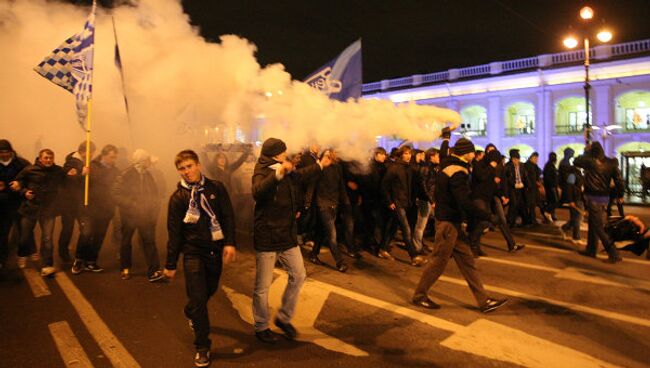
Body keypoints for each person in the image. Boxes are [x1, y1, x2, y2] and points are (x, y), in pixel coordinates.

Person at [412, 138, 507, 313]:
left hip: (451, 222)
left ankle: (483, 301)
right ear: (467, 153)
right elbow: (463, 201)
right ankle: (419, 296)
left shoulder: (449, 165)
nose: (474, 154)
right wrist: (488, 216)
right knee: (438, 262)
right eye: (472, 152)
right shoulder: (458, 171)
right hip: (448, 224)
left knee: (467, 262)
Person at [251, 138, 331, 344]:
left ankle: (283, 318)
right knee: (263, 287)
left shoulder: (285, 167)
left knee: (299, 275)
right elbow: (258, 191)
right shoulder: (262, 169)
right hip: (267, 236)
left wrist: (321, 164)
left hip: (286, 235)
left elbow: (301, 176)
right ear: (277, 154)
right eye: (284, 152)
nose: (287, 154)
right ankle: (261, 326)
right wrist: (278, 174)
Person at [164, 150, 236, 368]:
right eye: (182, 169)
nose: (186, 172)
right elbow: (174, 233)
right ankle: (202, 347)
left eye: (189, 166)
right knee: (199, 300)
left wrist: (230, 243)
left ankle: (190, 311)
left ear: (198, 165)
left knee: (208, 292)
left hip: (214, 251)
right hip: (193, 253)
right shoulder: (177, 198)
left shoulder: (217, 188)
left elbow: (228, 216)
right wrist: (170, 264)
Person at [111, 149, 164, 281]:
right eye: (147, 160)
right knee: (126, 242)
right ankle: (125, 268)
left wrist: (154, 209)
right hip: (129, 216)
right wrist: (131, 204)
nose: (149, 162)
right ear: (141, 161)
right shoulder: (126, 174)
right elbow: (115, 194)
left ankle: (154, 270)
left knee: (150, 242)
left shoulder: (148, 175)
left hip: (145, 215)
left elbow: (155, 193)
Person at [14, 149, 66, 276]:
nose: (48, 160)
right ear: (40, 158)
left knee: (47, 239)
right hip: (30, 208)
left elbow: (68, 182)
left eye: (51, 158)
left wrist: (80, 174)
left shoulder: (58, 171)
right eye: (46, 158)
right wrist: (24, 192)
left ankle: (47, 265)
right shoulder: (29, 170)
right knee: (24, 236)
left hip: (49, 210)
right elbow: (18, 183)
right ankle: (23, 253)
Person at [574, 142, 624, 263]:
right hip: (604, 198)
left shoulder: (590, 162)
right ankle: (591, 249)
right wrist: (620, 195)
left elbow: (576, 161)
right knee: (593, 223)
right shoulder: (612, 163)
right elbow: (619, 180)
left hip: (593, 197)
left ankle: (613, 253)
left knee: (598, 227)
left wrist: (586, 152)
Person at [379, 146, 428, 266]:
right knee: (406, 229)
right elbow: (384, 187)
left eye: (409, 153)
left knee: (393, 228)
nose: (408, 155)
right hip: (397, 203)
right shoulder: (394, 168)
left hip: (408, 203)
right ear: (401, 155)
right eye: (406, 153)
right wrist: (389, 201)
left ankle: (382, 249)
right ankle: (414, 257)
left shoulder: (410, 168)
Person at [308, 149, 351, 272]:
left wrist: (346, 202)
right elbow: (312, 185)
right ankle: (340, 263)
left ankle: (313, 254)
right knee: (332, 235)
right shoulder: (320, 167)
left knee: (322, 231)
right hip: (323, 205)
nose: (330, 157)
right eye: (327, 155)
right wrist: (308, 202)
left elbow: (341, 186)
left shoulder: (337, 168)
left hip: (334, 205)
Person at [59, 141, 96, 264]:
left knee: (86, 229)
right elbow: (69, 183)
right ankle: (63, 253)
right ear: (82, 151)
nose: (91, 155)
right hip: (69, 203)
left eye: (92, 153)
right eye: (89, 152)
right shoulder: (71, 163)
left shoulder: (87, 162)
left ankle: (82, 254)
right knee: (68, 229)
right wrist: (82, 174)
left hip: (81, 203)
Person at [0, 139, 30, 271]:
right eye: (1, 152)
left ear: (11, 151)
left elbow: (33, 178)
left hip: (19, 203)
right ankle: (2, 260)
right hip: (2, 205)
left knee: (23, 232)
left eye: (7, 151)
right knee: (2, 233)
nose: (4, 154)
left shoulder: (22, 163)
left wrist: (21, 184)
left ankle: (20, 253)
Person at [413, 148, 438, 253]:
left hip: (428, 199)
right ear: (432, 157)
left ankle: (420, 244)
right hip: (424, 200)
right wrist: (430, 200)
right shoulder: (426, 168)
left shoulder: (431, 168)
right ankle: (417, 247)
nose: (439, 158)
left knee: (424, 224)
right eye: (437, 156)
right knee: (420, 225)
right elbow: (423, 186)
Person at [559, 167, 586, 245]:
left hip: (579, 197)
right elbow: (569, 187)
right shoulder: (572, 174)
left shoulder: (579, 173)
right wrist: (570, 200)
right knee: (578, 218)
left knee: (577, 218)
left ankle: (564, 228)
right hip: (575, 198)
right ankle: (576, 237)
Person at [505, 149, 529, 227]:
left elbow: (525, 176)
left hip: (521, 188)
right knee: (514, 204)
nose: (517, 161)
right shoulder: (508, 166)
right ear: (512, 159)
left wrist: (527, 185)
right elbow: (507, 178)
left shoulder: (522, 166)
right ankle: (511, 222)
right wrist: (513, 184)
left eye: (518, 159)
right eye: (515, 159)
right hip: (512, 188)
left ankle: (524, 221)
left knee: (521, 204)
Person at [523, 152, 543, 225]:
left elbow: (538, 174)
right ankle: (531, 220)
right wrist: (531, 184)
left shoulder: (535, 166)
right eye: (535, 158)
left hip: (534, 188)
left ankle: (532, 219)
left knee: (533, 204)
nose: (536, 160)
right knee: (531, 204)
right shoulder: (527, 165)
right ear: (531, 158)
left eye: (537, 158)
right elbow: (527, 177)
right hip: (530, 188)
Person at [543, 152, 560, 222]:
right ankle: (547, 212)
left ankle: (550, 214)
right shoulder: (550, 166)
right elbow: (548, 177)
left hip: (551, 186)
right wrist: (553, 185)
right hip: (551, 187)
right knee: (554, 201)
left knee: (551, 201)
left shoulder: (550, 165)